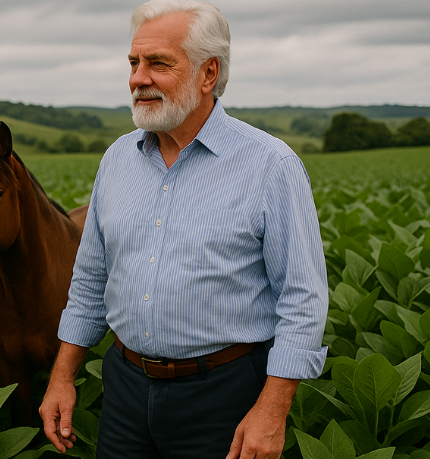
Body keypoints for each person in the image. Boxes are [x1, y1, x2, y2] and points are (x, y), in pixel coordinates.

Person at [38, 0, 328, 458]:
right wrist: (62, 377)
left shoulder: (270, 165)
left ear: (208, 73)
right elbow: (91, 280)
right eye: (134, 63)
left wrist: (272, 410)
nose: (138, 78)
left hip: (224, 396)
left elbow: (303, 298)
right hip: (125, 389)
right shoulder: (116, 160)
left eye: (158, 63)